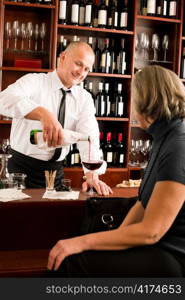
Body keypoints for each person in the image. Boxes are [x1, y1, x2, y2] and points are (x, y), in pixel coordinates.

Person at [47, 65, 185, 277]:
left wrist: (80, 243)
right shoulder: (163, 136)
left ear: (147, 100)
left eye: (135, 97)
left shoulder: (178, 144)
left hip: (173, 258)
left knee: (71, 262)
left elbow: (152, 231)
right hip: (159, 249)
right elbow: (142, 204)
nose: (131, 105)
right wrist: (117, 239)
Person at [0, 41, 112, 195]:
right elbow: (4, 100)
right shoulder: (34, 81)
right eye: (78, 64)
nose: (81, 72)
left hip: (56, 174)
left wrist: (92, 175)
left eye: (86, 69)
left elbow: (89, 139)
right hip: (20, 172)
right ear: (63, 57)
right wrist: (42, 114)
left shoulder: (84, 98)